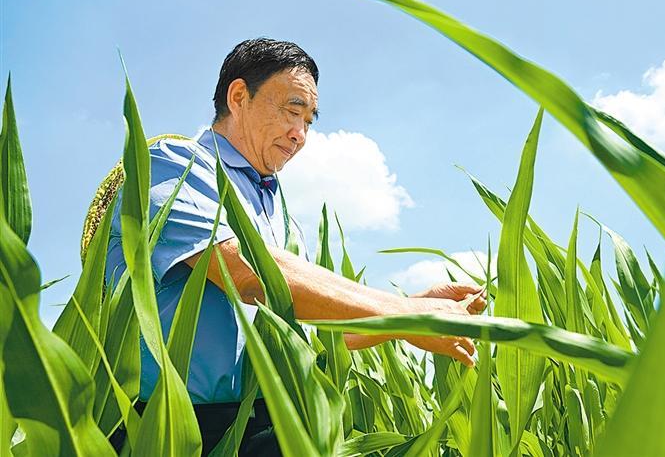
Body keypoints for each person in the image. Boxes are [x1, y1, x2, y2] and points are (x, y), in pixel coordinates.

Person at [105, 38, 486, 455]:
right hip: (168, 427)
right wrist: (409, 314)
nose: (299, 134)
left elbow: (311, 331)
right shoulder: (174, 164)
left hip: (262, 424)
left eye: (309, 120)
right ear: (238, 96)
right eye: (292, 111)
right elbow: (250, 273)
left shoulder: (282, 218)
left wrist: (409, 311)